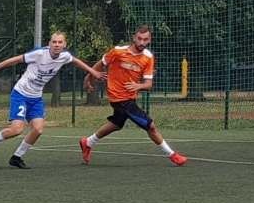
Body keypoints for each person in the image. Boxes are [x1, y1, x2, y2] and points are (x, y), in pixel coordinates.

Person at [0, 31, 104, 169]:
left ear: (64, 45)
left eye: (60, 42)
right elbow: (17, 59)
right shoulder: (39, 54)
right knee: (16, 130)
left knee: (38, 130)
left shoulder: (65, 56)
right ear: (49, 43)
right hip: (21, 94)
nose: (57, 45)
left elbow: (76, 61)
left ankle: (16, 157)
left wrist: (93, 72)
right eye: (54, 42)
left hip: (36, 98)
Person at [78, 25, 188, 166]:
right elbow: (101, 64)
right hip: (119, 98)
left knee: (116, 124)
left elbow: (148, 84)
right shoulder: (118, 51)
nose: (142, 42)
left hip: (130, 98)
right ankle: (172, 155)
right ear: (134, 38)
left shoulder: (148, 57)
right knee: (151, 126)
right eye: (139, 39)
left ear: (150, 40)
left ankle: (88, 142)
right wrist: (88, 78)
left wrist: (139, 86)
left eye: (145, 39)